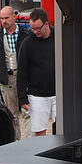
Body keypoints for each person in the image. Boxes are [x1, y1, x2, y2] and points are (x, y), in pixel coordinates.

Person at [18, 7, 56, 136]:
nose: (35, 32)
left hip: (59, 94)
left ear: (46, 24)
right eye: (32, 28)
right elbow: (22, 71)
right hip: (37, 95)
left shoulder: (59, 38)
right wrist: (22, 98)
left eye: (38, 28)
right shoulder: (28, 43)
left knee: (62, 129)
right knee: (39, 132)